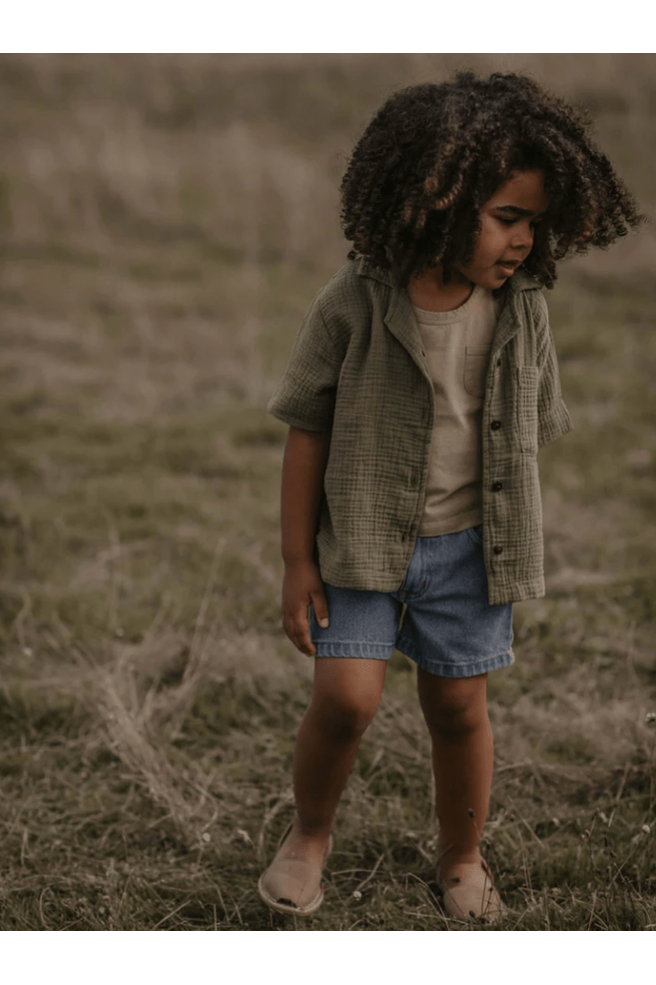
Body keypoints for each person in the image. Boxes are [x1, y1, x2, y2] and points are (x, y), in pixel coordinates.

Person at [258, 72, 643, 922]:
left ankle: (463, 856)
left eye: (536, 223)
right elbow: (306, 427)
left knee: (459, 706)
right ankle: (309, 834)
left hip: (468, 548)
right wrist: (296, 560)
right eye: (509, 218)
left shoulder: (523, 309)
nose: (523, 240)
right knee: (346, 698)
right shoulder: (355, 299)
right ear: (437, 199)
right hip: (361, 542)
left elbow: (525, 430)